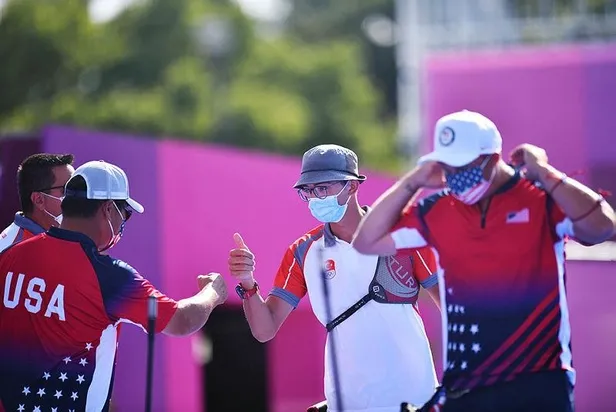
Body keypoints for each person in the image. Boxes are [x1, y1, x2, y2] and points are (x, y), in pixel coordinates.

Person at [352, 109, 616, 411]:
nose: (454, 175)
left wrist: (544, 172)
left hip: (539, 380)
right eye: (447, 166)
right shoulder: (437, 208)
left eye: (462, 165)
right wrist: (413, 182)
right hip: (466, 385)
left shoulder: (539, 198)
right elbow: (366, 242)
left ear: (493, 158)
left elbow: (603, 227)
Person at [0, 160, 228, 412]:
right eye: (125, 213)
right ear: (108, 209)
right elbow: (182, 320)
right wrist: (213, 292)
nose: (123, 222)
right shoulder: (110, 277)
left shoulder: (12, 255)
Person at [229, 144, 441, 412]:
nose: (315, 198)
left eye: (323, 188)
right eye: (308, 191)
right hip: (347, 403)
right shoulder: (303, 252)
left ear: (351, 186)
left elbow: (453, 308)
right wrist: (247, 282)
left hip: (415, 397)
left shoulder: (404, 236)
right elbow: (264, 329)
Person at [0, 153, 75, 252]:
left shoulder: (68, 236)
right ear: (38, 200)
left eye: (76, 188)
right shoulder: (11, 251)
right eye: (67, 189)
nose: (76, 196)